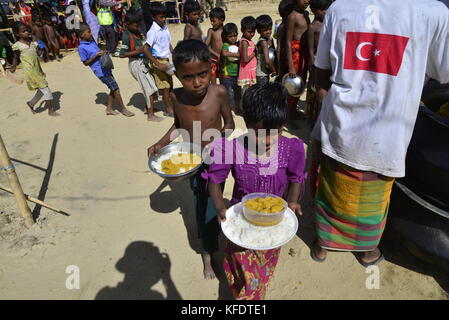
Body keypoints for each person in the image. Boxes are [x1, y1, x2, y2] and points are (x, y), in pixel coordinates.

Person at [310, 0, 449, 266]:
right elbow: (443, 72)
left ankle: (322, 246)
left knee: (331, 188)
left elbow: (322, 71)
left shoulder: (339, 8)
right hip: (387, 135)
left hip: (340, 123)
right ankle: (367, 251)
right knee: (373, 200)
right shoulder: (433, 11)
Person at [205, 82, 306, 300]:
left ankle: (251, 295)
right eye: (260, 134)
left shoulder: (290, 148)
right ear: (247, 123)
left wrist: (293, 201)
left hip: (272, 224)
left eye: (276, 132)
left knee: (259, 272)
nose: (268, 141)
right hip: (241, 221)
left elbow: (295, 178)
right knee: (239, 267)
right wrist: (220, 206)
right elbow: (214, 180)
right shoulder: (231, 149)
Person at [147, 40, 235, 280]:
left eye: (202, 74)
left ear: (211, 69)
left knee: (213, 204)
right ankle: (207, 253)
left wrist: (218, 143)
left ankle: (212, 239)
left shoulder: (218, 93)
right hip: (192, 163)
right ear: (177, 75)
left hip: (216, 161)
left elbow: (229, 124)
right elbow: (178, 127)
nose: (196, 82)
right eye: (188, 77)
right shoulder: (175, 98)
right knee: (201, 206)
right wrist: (160, 143)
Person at [78, 22, 135, 117]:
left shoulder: (91, 41)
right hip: (100, 72)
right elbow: (85, 63)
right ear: (82, 34)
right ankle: (123, 109)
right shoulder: (81, 48)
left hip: (106, 68)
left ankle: (109, 108)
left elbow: (98, 51)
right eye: (88, 32)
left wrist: (102, 52)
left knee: (112, 88)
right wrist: (96, 55)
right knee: (115, 88)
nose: (91, 33)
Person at [10, 22, 60, 116]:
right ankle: (50, 110)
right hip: (29, 71)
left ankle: (31, 103)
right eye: (23, 31)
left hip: (37, 69)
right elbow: (15, 57)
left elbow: (38, 53)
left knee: (41, 90)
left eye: (27, 30)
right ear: (17, 34)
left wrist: (40, 50)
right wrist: (14, 67)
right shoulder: (17, 45)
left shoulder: (33, 42)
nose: (26, 32)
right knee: (46, 89)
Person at [120, 10, 162, 121]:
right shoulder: (126, 36)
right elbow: (122, 54)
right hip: (136, 64)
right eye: (136, 25)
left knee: (152, 84)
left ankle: (148, 108)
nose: (138, 27)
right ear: (128, 24)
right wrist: (138, 51)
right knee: (149, 88)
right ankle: (150, 115)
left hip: (143, 62)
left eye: (138, 25)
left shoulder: (137, 32)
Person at [143, 2, 175, 117]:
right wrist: (156, 63)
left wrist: (174, 53)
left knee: (170, 85)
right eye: (161, 17)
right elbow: (145, 49)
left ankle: (171, 105)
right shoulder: (153, 31)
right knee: (165, 87)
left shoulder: (165, 27)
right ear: (153, 17)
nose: (163, 19)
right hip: (159, 62)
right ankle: (168, 109)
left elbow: (168, 43)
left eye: (164, 16)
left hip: (167, 60)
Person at [305, 0, 331, 125]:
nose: (326, 12)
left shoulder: (328, 24)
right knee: (314, 94)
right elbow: (310, 51)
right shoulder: (312, 28)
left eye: (327, 9)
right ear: (314, 10)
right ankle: (312, 119)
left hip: (326, 63)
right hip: (316, 65)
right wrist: (314, 67)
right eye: (323, 9)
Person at [284, 0, 310, 120]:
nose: (307, 1)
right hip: (295, 54)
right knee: (293, 85)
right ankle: (289, 115)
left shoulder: (305, 15)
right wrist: (291, 66)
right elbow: (288, 41)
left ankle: (293, 111)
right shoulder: (292, 16)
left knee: (301, 82)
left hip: (304, 53)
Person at [220, 22, 240, 112]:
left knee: (237, 93)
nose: (233, 38)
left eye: (235, 36)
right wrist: (238, 55)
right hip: (227, 74)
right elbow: (224, 53)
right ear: (225, 37)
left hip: (236, 74)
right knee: (228, 93)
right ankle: (228, 109)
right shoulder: (226, 45)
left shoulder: (237, 45)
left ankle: (237, 108)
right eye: (230, 36)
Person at [205, 7, 225, 84]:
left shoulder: (225, 31)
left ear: (222, 20)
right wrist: (216, 55)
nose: (212, 23)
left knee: (223, 81)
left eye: (214, 21)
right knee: (213, 82)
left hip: (223, 60)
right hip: (213, 60)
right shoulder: (211, 31)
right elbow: (206, 46)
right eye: (211, 21)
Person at [255, 14, 276, 86]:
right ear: (258, 31)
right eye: (265, 30)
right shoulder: (263, 42)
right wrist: (274, 71)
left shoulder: (270, 39)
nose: (268, 32)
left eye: (270, 29)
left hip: (266, 72)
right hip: (261, 74)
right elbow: (267, 60)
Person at [237, 16, 257, 91]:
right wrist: (254, 53)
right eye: (249, 32)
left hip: (250, 70)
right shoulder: (245, 42)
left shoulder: (247, 40)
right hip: (247, 71)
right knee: (246, 93)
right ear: (242, 30)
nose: (251, 34)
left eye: (253, 31)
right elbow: (245, 59)